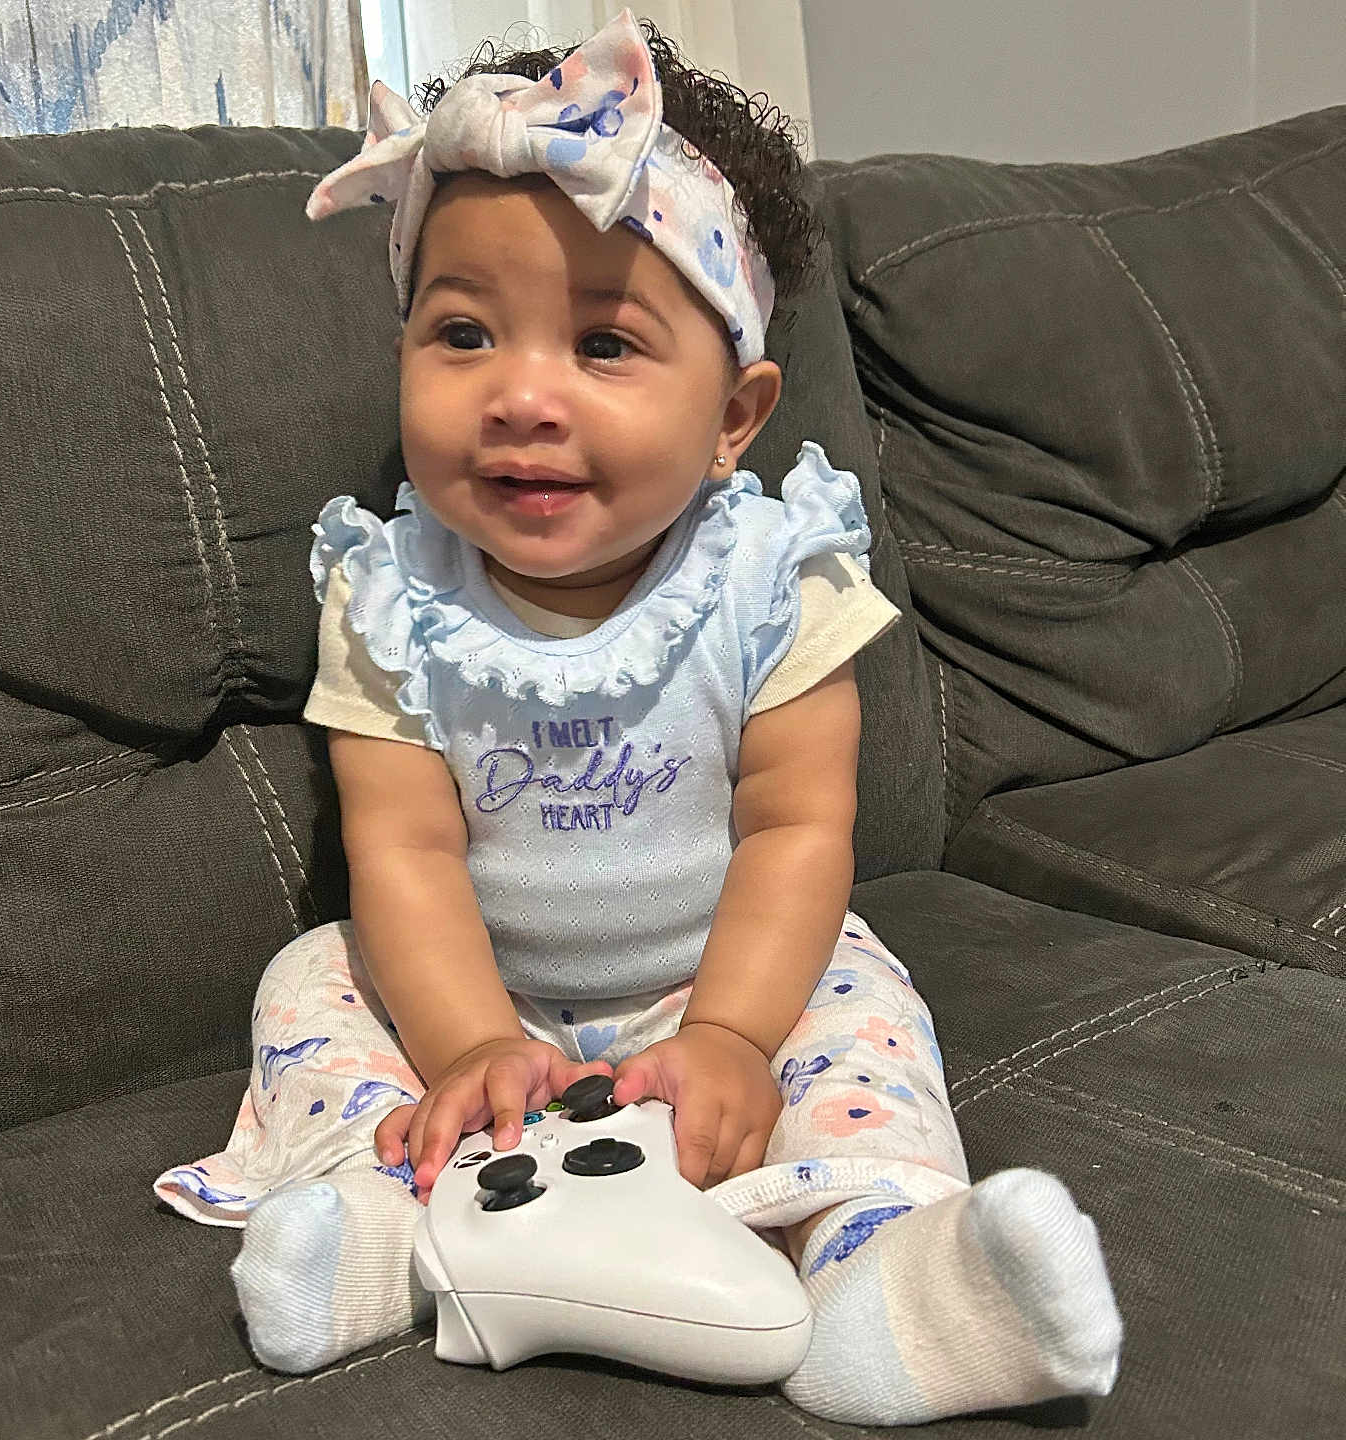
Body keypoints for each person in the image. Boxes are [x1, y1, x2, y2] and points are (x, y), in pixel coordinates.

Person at [154, 9, 1122, 1425]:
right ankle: (373, 1235)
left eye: (604, 345)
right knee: (311, 982)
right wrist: (474, 1044)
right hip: (467, 991)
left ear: (734, 416)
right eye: (465, 333)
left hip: (716, 971)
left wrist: (733, 1032)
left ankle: (885, 1277)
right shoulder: (389, 596)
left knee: (866, 1004)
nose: (522, 397)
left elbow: (799, 825)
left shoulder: (774, 576)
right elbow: (407, 856)